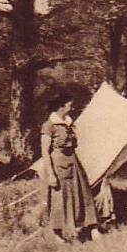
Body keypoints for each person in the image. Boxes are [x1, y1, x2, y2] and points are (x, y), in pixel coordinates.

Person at [39, 88, 99, 243]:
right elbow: (45, 152)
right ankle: (57, 234)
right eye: (69, 105)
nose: (71, 107)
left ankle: (92, 228)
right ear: (62, 106)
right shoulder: (49, 125)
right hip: (58, 165)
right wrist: (51, 174)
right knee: (60, 198)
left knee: (83, 194)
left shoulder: (69, 123)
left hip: (73, 161)